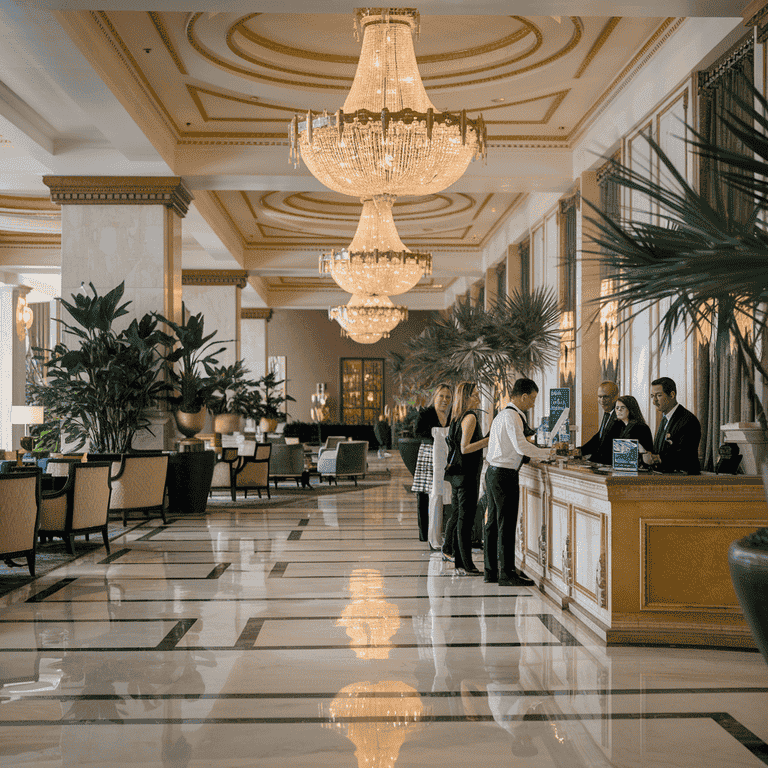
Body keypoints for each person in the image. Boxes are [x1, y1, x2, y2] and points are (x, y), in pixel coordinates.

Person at [485, 378, 554, 586]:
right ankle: (506, 573)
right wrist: (548, 453)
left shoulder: (503, 414)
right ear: (523, 397)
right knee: (505, 524)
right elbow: (521, 447)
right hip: (504, 475)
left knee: (493, 524)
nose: (533, 403)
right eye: (532, 399)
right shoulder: (512, 416)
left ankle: (491, 571)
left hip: (493, 472)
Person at [442, 382, 488, 575]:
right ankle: (465, 563)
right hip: (467, 474)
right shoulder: (470, 417)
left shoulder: (456, 417)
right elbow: (465, 448)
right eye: (475, 394)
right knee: (465, 518)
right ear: (467, 397)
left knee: (460, 515)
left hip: (458, 475)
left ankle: (458, 558)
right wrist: (487, 440)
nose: (478, 397)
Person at [411, 384, 453, 544]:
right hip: (428, 455)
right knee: (424, 494)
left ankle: (438, 530)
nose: (444, 400)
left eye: (448, 397)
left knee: (440, 493)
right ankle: (424, 533)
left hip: (444, 456)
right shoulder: (426, 413)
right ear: (434, 397)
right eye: (441, 396)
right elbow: (418, 432)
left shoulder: (450, 416)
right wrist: (437, 436)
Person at [642, 376, 701, 475]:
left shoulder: (688, 420)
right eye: (652, 396)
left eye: (659, 395)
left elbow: (685, 455)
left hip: (682, 481)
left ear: (672, 394)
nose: (654, 401)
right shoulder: (665, 419)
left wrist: (657, 458)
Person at [573, 381, 622, 465]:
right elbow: (600, 436)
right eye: (600, 397)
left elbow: (606, 445)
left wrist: (592, 459)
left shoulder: (619, 416)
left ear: (615, 397)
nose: (602, 400)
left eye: (606, 397)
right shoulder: (607, 413)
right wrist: (580, 450)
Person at [614, 394, 654, 467]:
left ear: (630, 409)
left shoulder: (641, 427)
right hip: (623, 467)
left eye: (622, 407)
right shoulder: (619, 427)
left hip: (640, 470)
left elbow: (648, 457)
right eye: (617, 408)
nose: (619, 410)